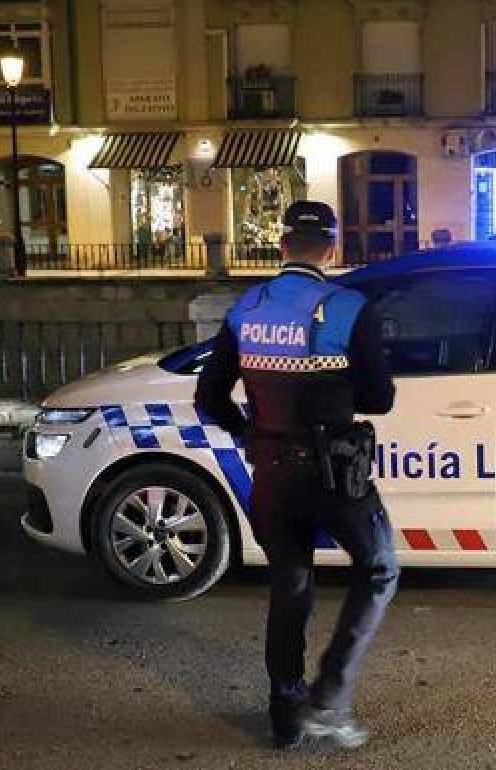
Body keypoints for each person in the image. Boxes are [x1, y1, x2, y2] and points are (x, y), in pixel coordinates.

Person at [195, 201, 398, 751]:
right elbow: (380, 398)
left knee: (290, 587)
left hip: (272, 474)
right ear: (330, 250)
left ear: (282, 247)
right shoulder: (350, 307)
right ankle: (328, 701)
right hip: (336, 473)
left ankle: (286, 717)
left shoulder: (246, 308)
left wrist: (251, 434)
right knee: (379, 568)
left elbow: (209, 396)